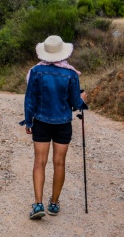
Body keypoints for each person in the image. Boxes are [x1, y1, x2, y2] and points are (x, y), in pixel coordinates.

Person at [24, 35, 88, 220]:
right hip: (63, 125)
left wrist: (29, 122)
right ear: (62, 52)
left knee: (39, 163)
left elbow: (30, 100)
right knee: (59, 163)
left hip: (41, 123)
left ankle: (37, 205)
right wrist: (83, 100)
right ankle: (53, 203)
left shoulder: (35, 72)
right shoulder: (71, 74)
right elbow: (75, 103)